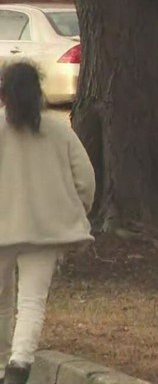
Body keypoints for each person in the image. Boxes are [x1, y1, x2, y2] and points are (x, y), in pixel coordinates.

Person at [0, 62, 94, 384]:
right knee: (31, 302)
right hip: (45, 232)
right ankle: (18, 367)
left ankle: (1, 365)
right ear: (38, 91)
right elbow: (86, 180)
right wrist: (73, 212)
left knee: (1, 302)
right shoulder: (58, 130)